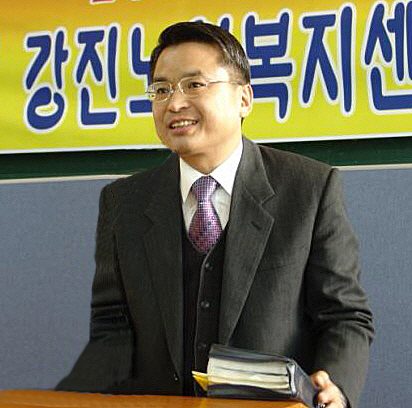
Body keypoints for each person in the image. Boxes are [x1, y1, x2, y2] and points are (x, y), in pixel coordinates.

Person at [56, 21, 374, 408]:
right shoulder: (123, 202)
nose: (174, 103)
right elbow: (111, 326)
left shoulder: (309, 188)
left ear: (244, 99)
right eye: (161, 89)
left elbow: (344, 316)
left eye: (194, 84)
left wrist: (335, 386)